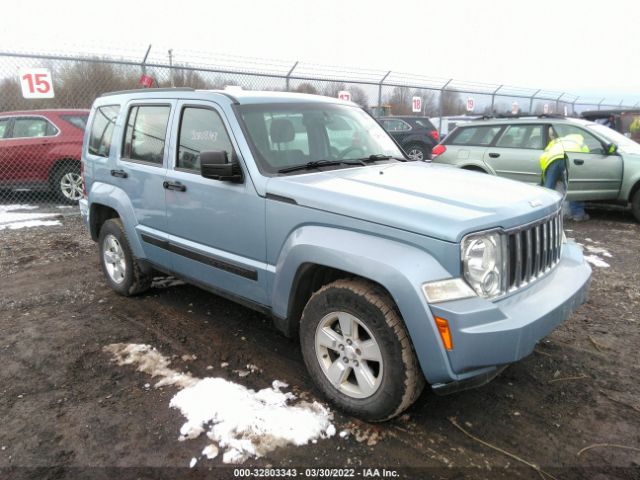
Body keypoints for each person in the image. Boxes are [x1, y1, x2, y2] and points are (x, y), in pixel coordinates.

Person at [539, 127, 590, 221]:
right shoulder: (580, 142)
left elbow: (544, 155)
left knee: (548, 188)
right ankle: (578, 214)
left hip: (552, 160)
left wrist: (546, 174)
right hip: (567, 160)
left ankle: (542, 214)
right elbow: (585, 157)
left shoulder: (558, 140)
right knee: (571, 188)